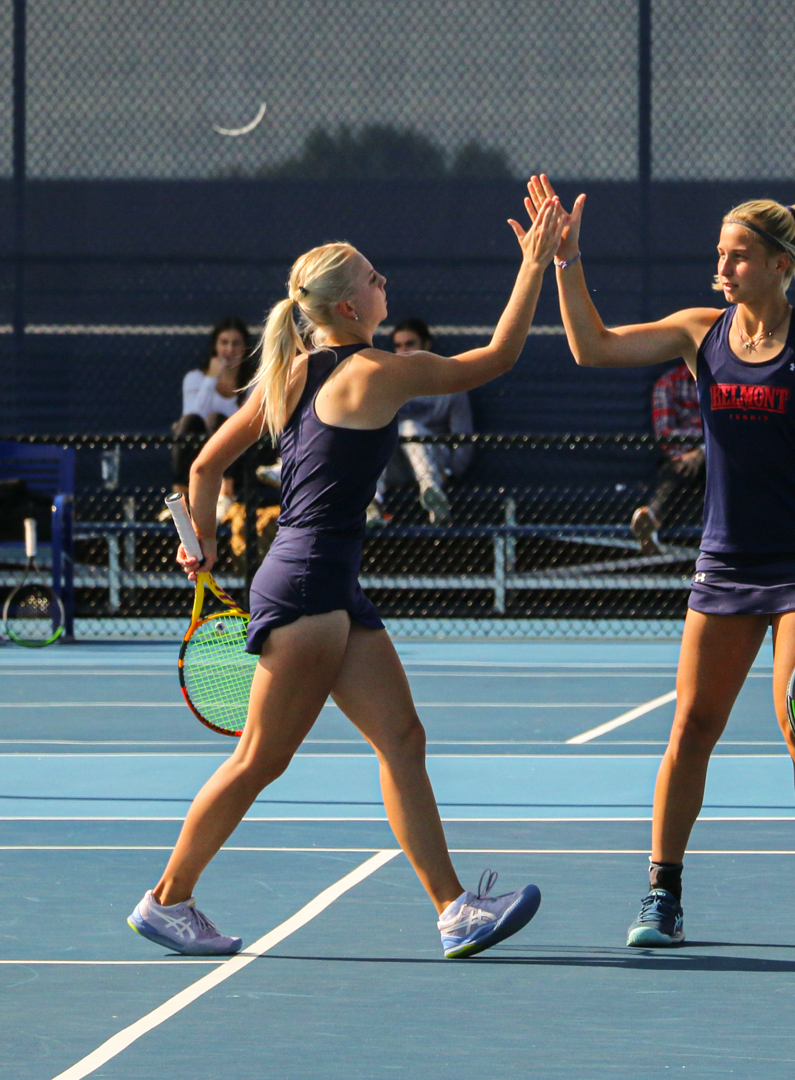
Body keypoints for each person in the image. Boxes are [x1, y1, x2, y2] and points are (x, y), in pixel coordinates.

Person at [129, 193, 566, 960]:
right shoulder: (375, 373)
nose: (384, 281)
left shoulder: (293, 372)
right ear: (347, 306)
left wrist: (197, 539)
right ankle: (167, 899)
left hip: (325, 583)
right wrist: (535, 265)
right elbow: (495, 358)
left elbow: (203, 467)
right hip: (307, 586)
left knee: (402, 738)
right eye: (372, 276)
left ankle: (454, 910)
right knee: (259, 759)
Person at [532, 174, 795, 951]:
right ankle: (662, 892)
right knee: (693, 726)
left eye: (738, 256)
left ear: (778, 264)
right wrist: (566, 261)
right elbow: (591, 346)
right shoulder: (698, 332)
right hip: (726, 559)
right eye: (721, 253)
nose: (722, 267)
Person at [372, 317, 474, 526]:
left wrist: (449, 473)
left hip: (436, 465)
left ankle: (433, 496)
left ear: (426, 345)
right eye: (398, 345)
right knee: (379, 433)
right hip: (395, 467)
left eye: (410, 344)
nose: (404, 351)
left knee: (410, 427)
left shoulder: (450, 385)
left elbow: (463, 440)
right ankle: (372, 504)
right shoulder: (384, 386)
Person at [166, 317, 246, 514]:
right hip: (199, 455)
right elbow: (193, 416)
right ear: (215, 347)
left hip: (236, 456)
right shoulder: (194, 378)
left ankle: (226, 494)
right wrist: (211, 378)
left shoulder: (253, 382)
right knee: (191, 422)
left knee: (217, 420)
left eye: (236, 343)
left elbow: (247, 423)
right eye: (224, 343)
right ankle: (180, 499)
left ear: (245, 348)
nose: (229, 350)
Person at [630, 361, 703, 556]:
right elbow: (666, 434)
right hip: (682, 459)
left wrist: (703, 451)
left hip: (723, 457)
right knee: (677, 470)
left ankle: (652, 517)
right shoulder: (668, 382)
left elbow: (733, 428)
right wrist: (693, 453)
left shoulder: (728, 381)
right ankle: (649, 522)